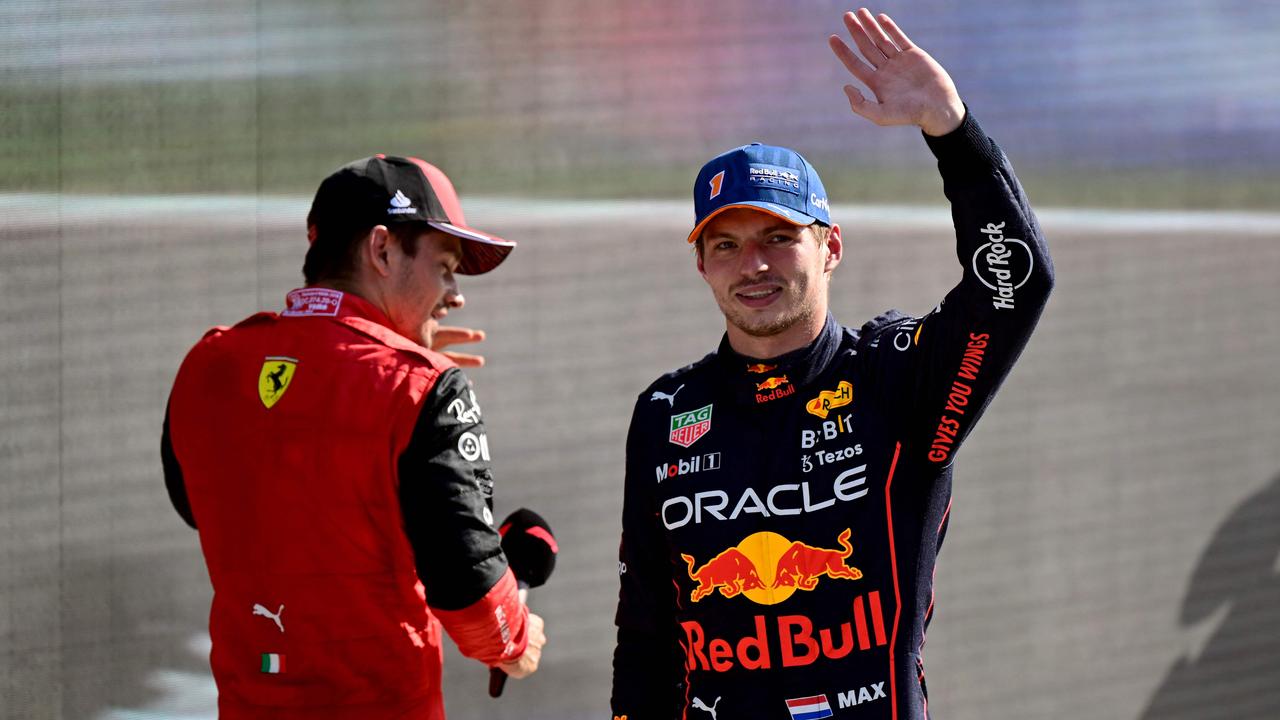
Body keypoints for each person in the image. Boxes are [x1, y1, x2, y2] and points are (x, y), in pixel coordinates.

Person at [611, 9, 1053, 719]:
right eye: (725, 245)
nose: (751, 264)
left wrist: (954, 133)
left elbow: (1013, 289)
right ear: (700, 263)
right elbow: (646, 631)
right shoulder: (666, 412)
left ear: (831, 247)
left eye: (779, 237)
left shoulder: (895, 377)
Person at [162, 155, 547, 719]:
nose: (454, 293)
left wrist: (388, 366)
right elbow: (471, 594)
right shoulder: (422, 389)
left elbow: (199, 504)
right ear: (383, 249)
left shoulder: (209, 363)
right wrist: (516, 641)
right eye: (445, 266)